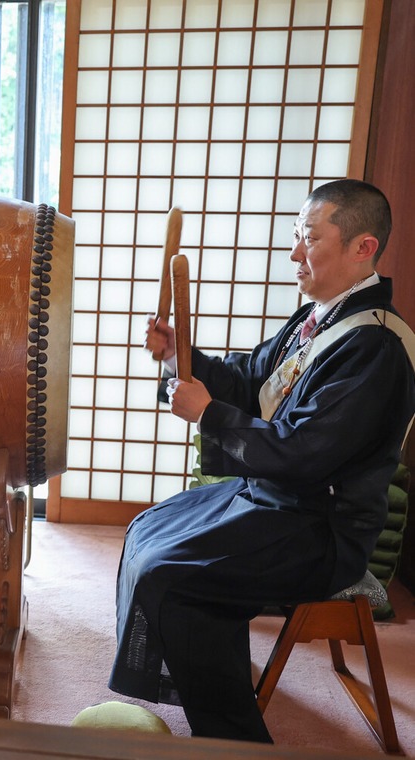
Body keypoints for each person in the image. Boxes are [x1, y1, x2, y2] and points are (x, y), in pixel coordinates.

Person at [109, 179, 415, 742]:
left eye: (308, 238)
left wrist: (206, 414)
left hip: (320, 528)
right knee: (148, 530)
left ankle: (234, 740)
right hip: (277, 499)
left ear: (362, 247)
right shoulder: (318, 318)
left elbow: (302, 454)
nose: (294, 252)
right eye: (296, 236)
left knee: (171, 577)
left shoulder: (375, 346)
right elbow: (251, 382)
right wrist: (183, 357)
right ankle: (213, 665)